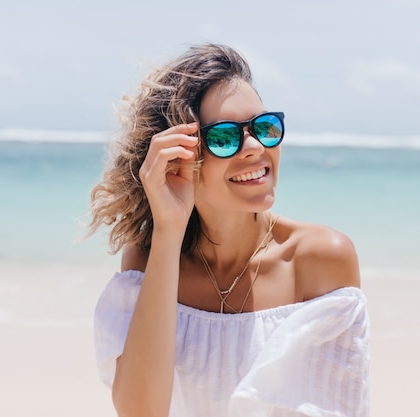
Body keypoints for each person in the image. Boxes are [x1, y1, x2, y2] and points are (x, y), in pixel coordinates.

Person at [88, 43, 370, 417]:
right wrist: (169, 232)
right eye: (225, 137)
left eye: (265, 128)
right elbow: (141, 412)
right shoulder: (149, 259)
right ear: (177, 158)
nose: (255, 147)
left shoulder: (319, 259)